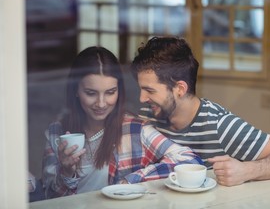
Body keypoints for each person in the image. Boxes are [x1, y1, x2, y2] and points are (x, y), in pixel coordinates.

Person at [131, 36, 270, 187]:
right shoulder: (148, 117)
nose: (141, 98)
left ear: (179, 88)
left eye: (150, 90)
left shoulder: (219, 124)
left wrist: (247, 170)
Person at [42, 46, 202, 199]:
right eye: (91, 93)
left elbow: (188, 159)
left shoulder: (134, 129)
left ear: (119, 90)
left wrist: (131, 181)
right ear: (76, 90)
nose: (101, 103)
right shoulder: (57, 132)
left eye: (110, 92)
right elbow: (49, 197)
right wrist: (66, 172)